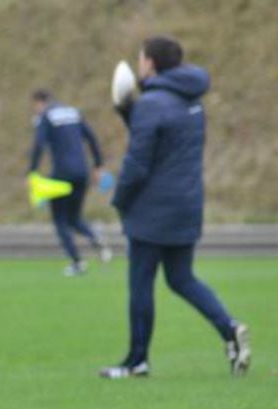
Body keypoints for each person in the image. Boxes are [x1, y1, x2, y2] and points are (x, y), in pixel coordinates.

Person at [100, 36, 250, 379]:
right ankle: (229, 329)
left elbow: (139, 162)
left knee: (141, 283)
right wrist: (130, 113)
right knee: (181, 278)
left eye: (141, 59)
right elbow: (165, 144)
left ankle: (137, 361)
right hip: (187, 203)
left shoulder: (152, 103)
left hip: (153, 208)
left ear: (150, 63)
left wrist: (120, 199)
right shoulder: (193, 101)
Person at [28, 89, 112, 276]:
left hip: (61, 175)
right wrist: (98, 165)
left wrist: (32, 172)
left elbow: (38, 144)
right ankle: (94, 236)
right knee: (74, 217)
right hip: (82, 173)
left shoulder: (46, 116)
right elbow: (92, 138)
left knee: (60, 220)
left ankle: (77, 262)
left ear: (39, 102)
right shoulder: (73, 112)